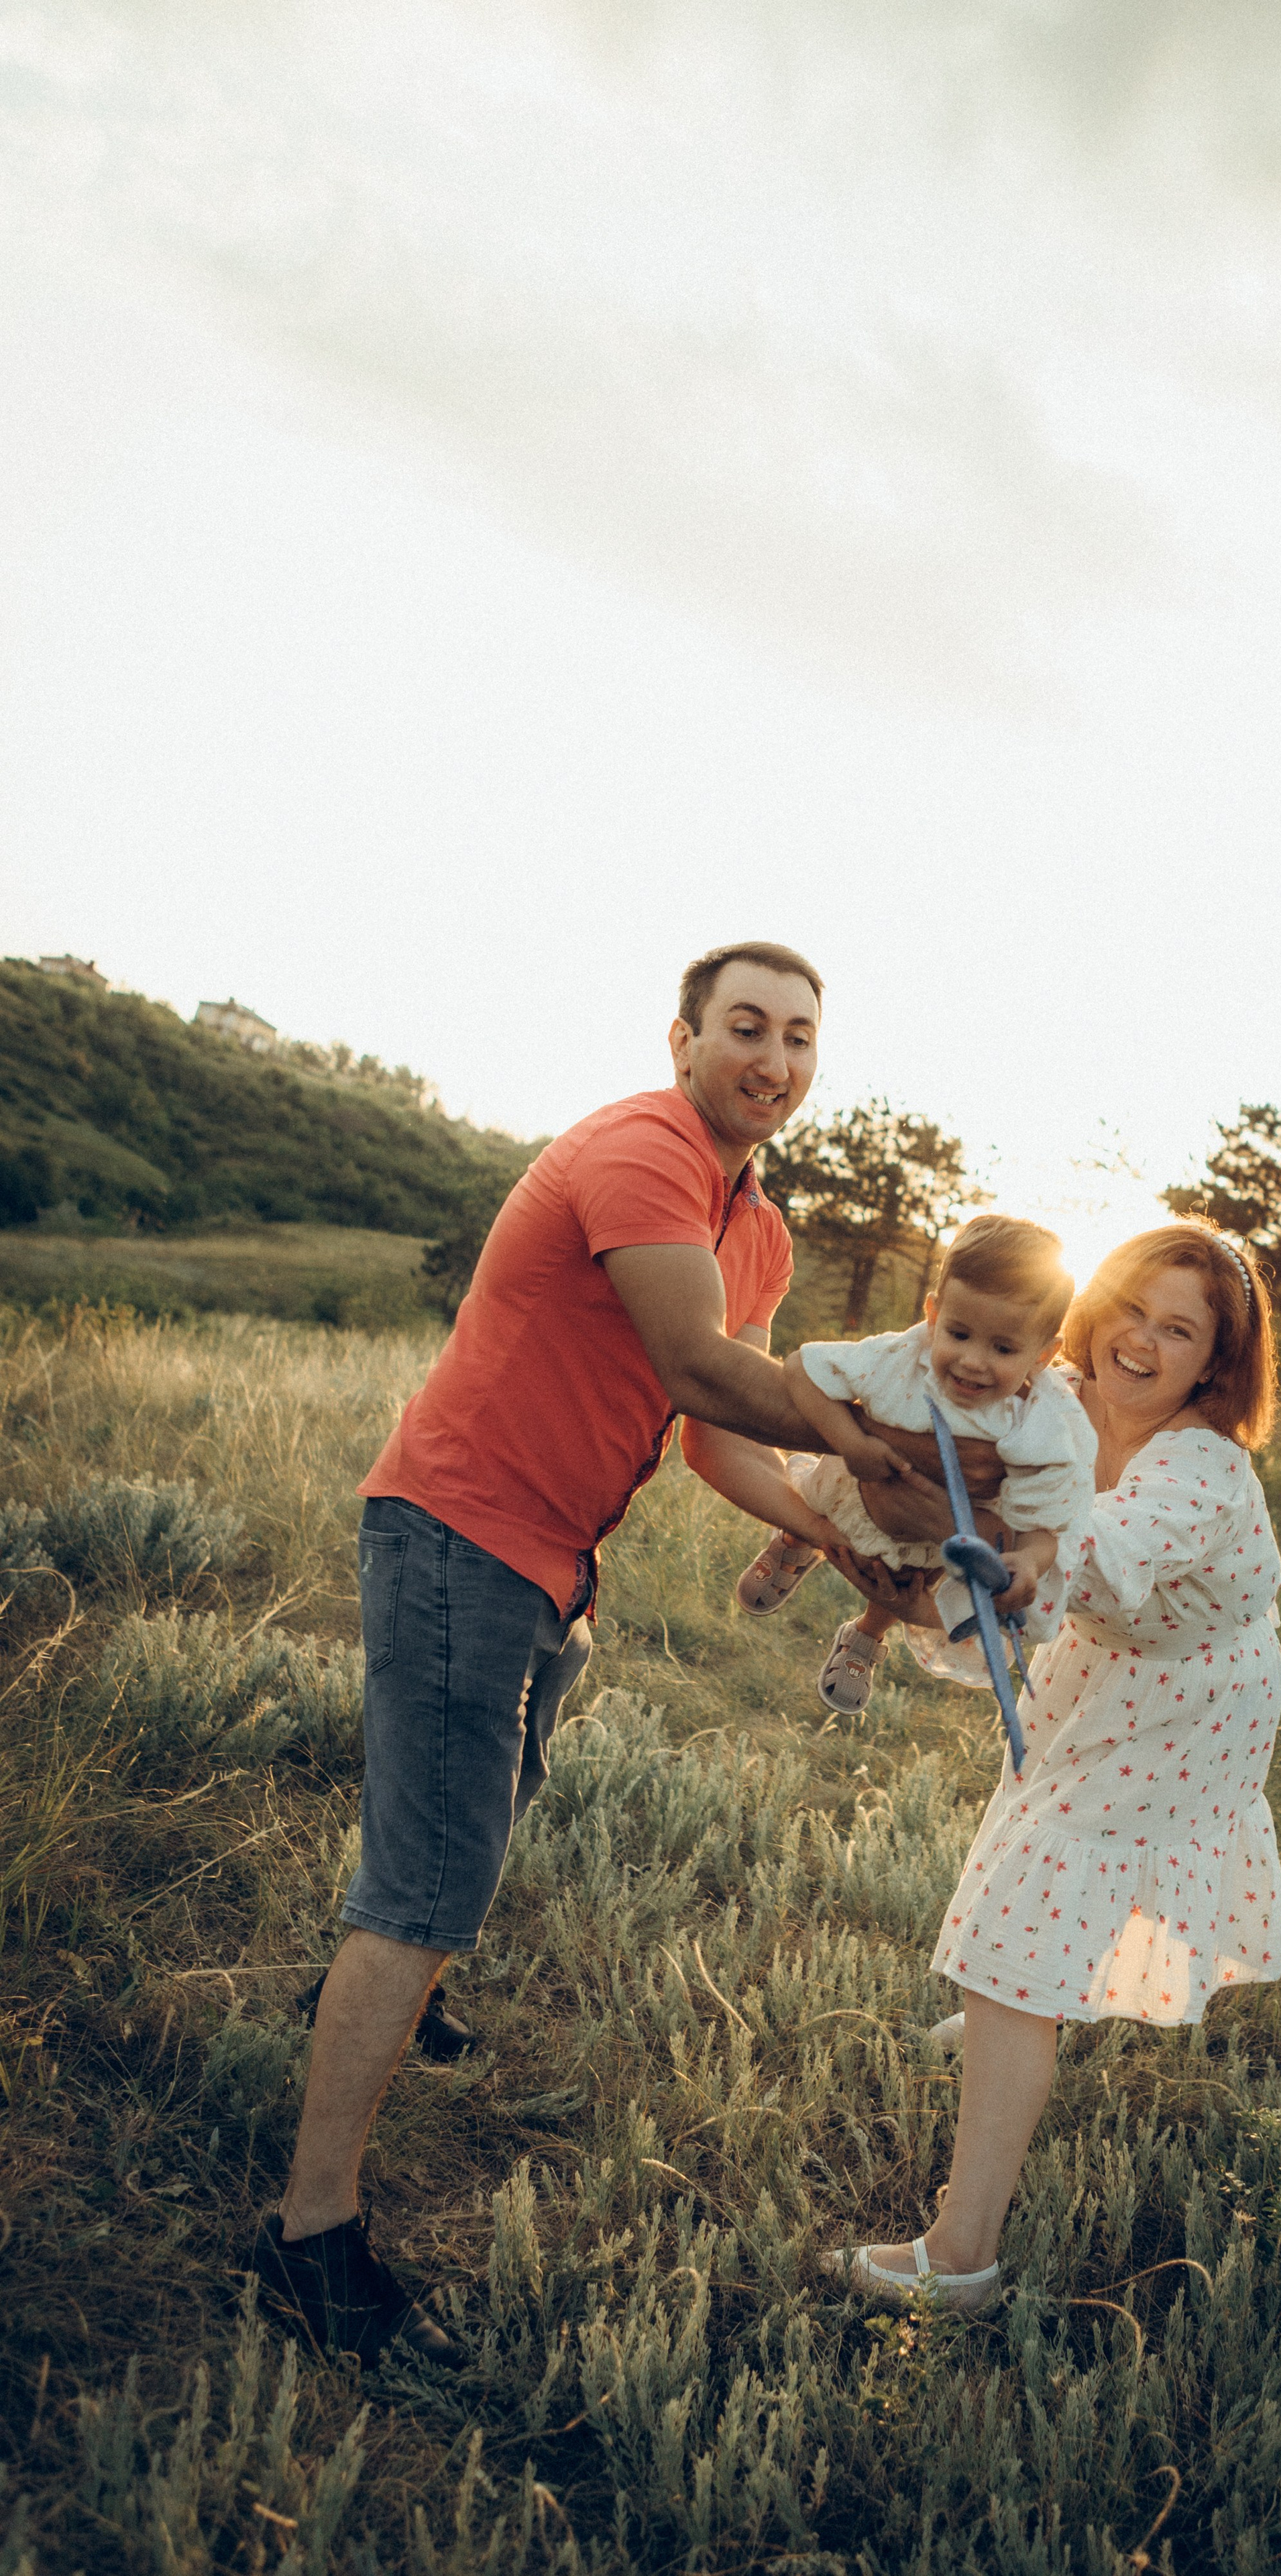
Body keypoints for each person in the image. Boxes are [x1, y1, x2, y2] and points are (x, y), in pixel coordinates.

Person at [251, 939, 928, 2367]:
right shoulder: (642, 1148)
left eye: (801, 1039)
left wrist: (843, 1536)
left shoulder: (758, 1230)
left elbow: (708, 1428)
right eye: (746, 1028)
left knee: (484, 1815)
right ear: (682, 1037)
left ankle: (371, 1994)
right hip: (456, 1528)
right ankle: (307, 2234)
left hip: (548, 1557)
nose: (775, 1059)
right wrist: (875, 1441)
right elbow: (698, 1363)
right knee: (434, 1883)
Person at [826, 1218, 1281, 2313]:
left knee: (1025, 1920)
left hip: (1195, 1702)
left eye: (1179, 1331)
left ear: (1216, 1362)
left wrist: (991, 1546)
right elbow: (934, 1370)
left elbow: (1095, 1554)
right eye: (1130, 1306)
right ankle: (1020, 2012)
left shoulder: (1205, 1466)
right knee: (1027, 1840)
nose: (1142, 1339)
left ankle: (961, 2257)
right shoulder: (1061, 1394)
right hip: (1102, 1669)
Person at [735, 1216, 1095, 1718]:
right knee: (817, 1502)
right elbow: (803, 1368)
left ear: (1044, 1355)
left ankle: (866, 1638)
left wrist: (1031, 1562)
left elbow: (1046, 1520)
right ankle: (795, 1543)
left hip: (930, 1533)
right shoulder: (901, 1358)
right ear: (933, 1315)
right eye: (960, 1333)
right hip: (855, 1485)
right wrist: (850, 1442)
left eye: (1003, 1348)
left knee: (904, 1581)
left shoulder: (1044, 1425)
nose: (973, 1360)